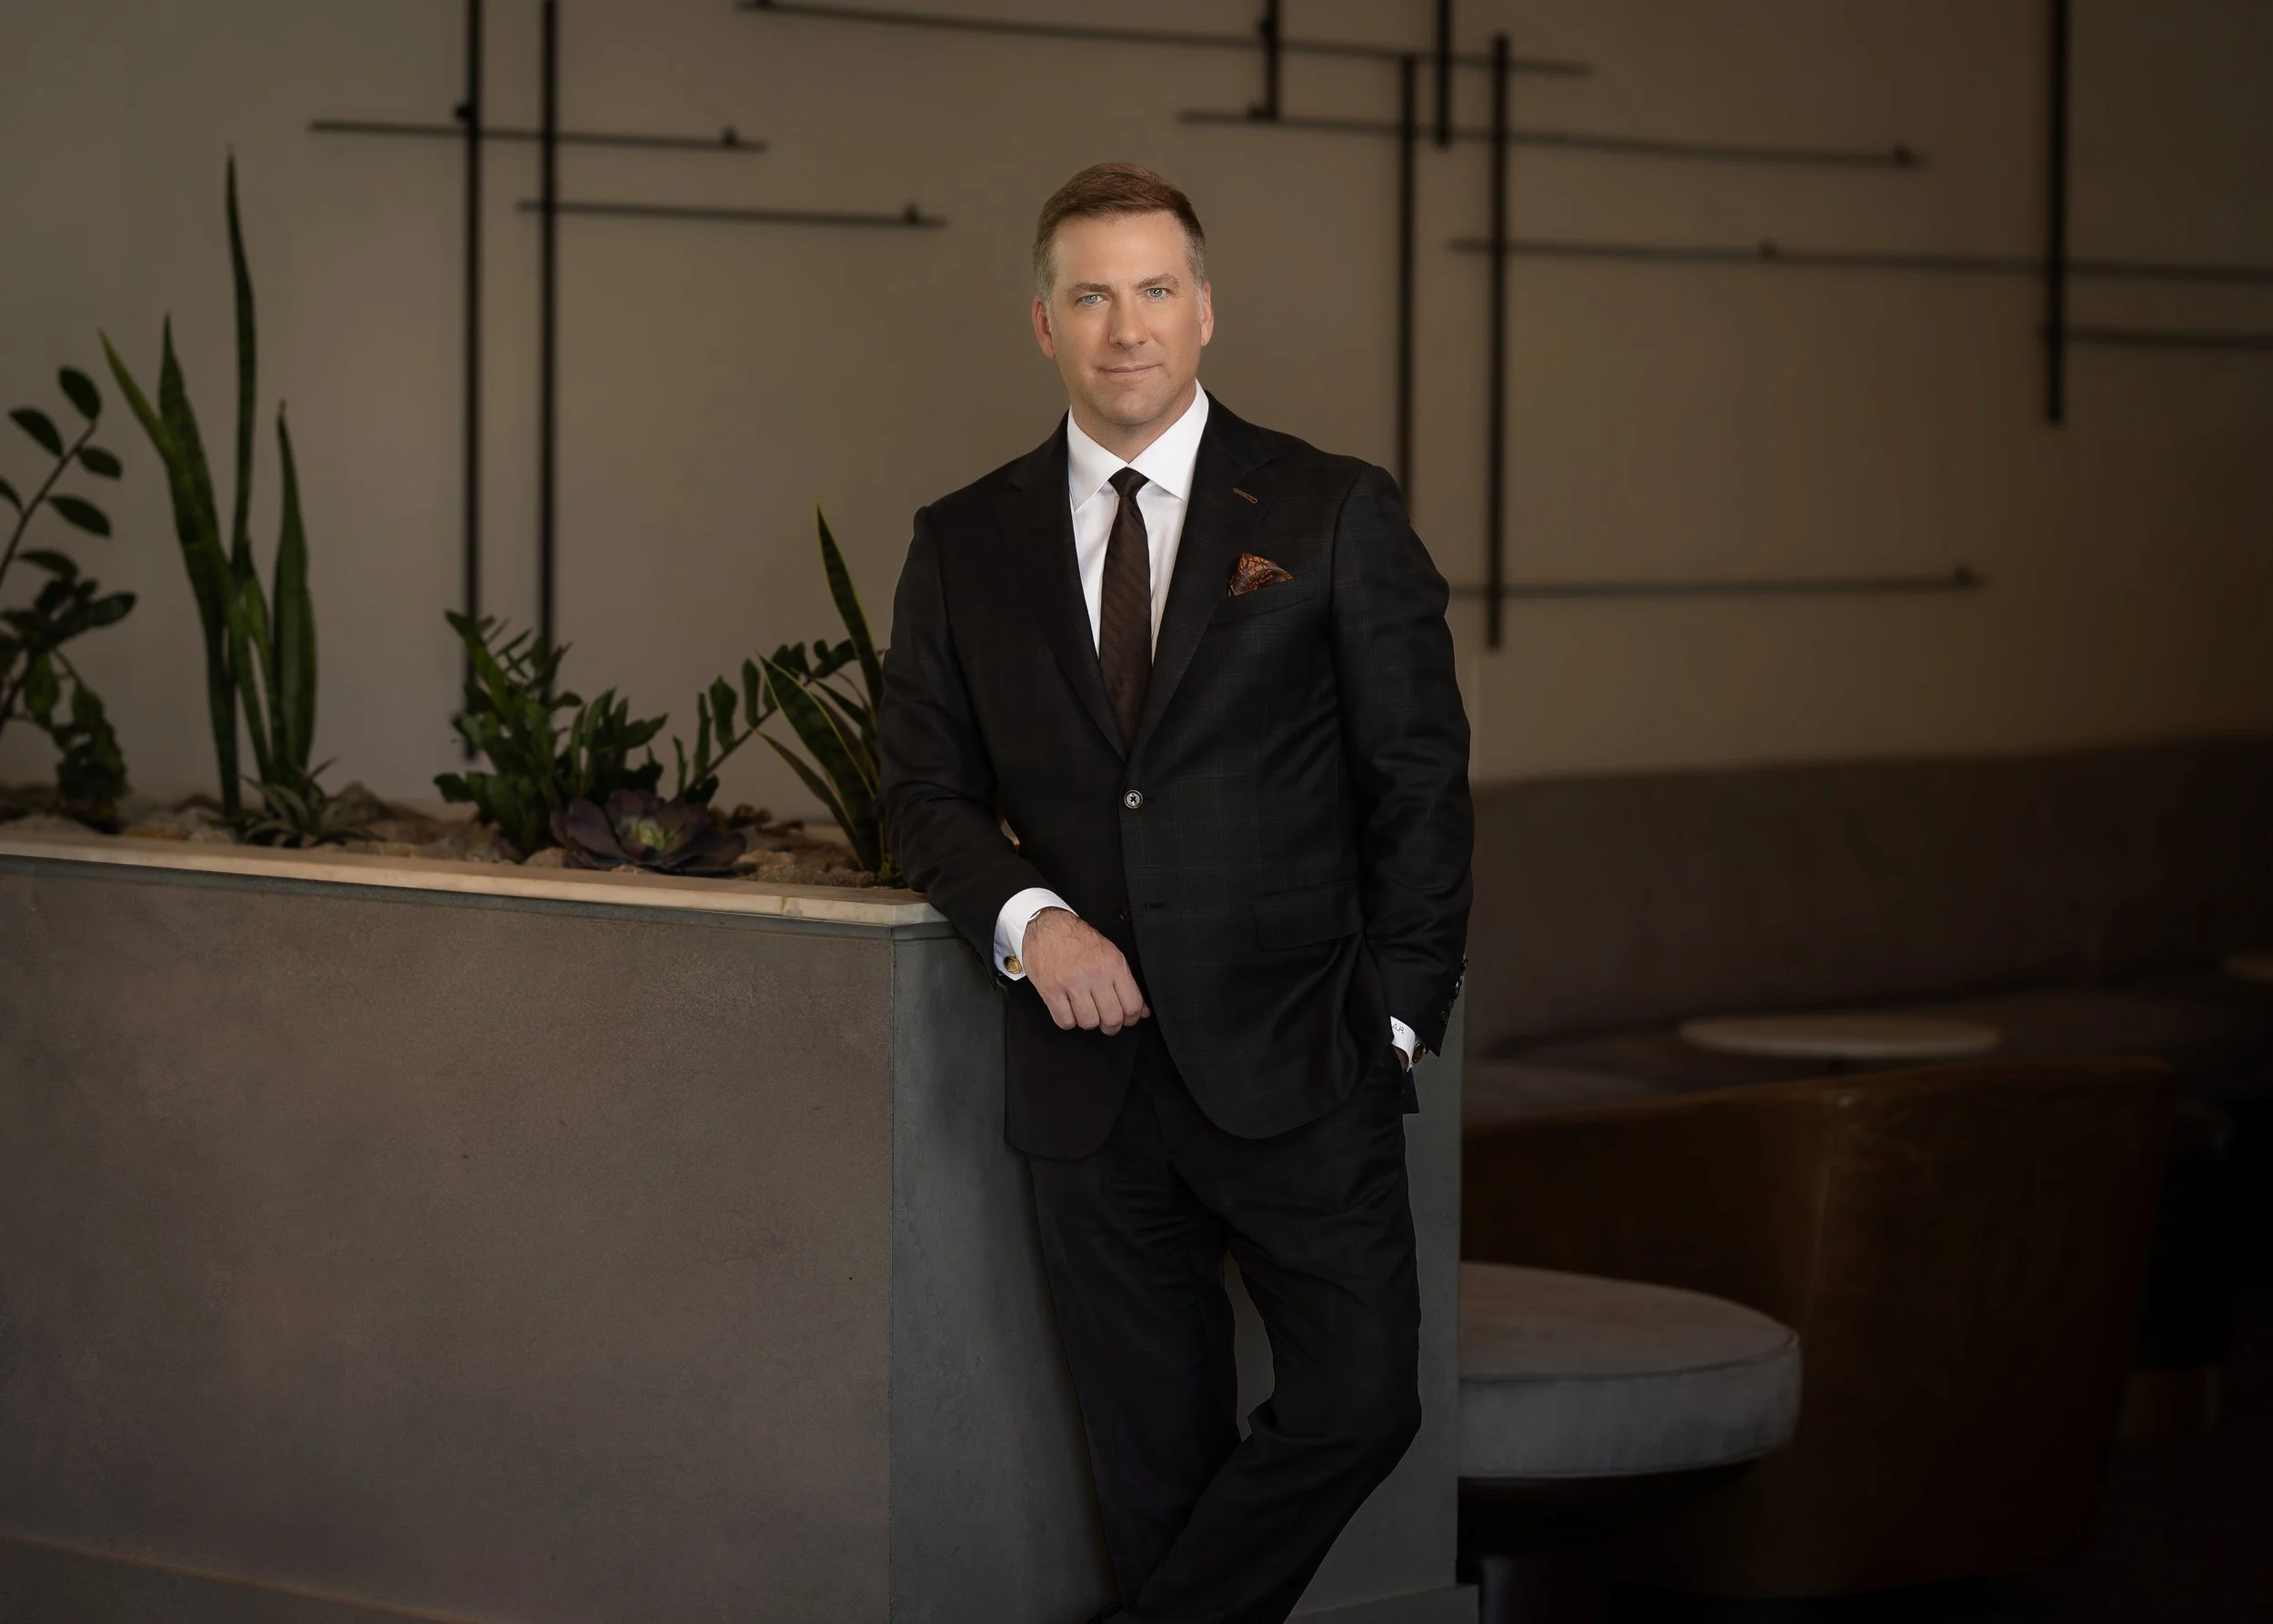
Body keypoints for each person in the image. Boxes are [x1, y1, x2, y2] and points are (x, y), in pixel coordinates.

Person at [876, 161, 1473, 1624]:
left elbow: (1422, 778)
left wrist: (1394, 1020)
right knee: (1154, 1482)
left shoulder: (1333, 511)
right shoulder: (965, 542)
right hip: (1093, 1087)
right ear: (1043, 323)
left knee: (1357, 1402)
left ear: (1205, 311)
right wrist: (1033, 923)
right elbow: (921, 796)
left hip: (1305, 1057)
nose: (1124, 326)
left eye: (1154, 290)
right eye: (1091, 294)